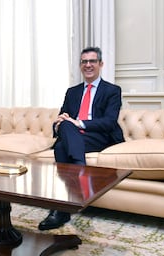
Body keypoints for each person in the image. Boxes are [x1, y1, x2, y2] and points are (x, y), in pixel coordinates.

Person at [38, 46, 124, 231]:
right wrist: (59, 123)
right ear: (80, 66)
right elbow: (62, 118)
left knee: (61, 147)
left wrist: (80, 124)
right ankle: (80, 178)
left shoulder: (112, 90)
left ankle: (60, 209)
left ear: (100, 64)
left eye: (92, 61)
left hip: (99, 137)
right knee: (65, 130)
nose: (88, 65)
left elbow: (109, 123)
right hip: (75, 137)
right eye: (84, 61)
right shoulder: (73, 91)